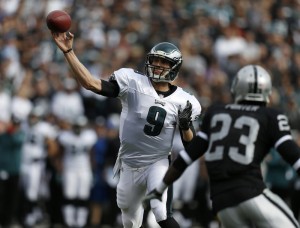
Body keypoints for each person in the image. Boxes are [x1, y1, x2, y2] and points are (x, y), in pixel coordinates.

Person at [50, 31, 201, 228]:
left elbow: (192, 146)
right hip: (129, 164)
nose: (158, 65)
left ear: (174, 68)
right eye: (155, 60)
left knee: (161, 211)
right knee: (130, 222)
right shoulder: (133, 82)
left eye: (164, 62)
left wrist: (185, 125)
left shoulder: (185, 100)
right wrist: (68, 51)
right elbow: (91, 83)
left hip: (158, 162)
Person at [143, 65, 300, 228]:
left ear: (236, 87)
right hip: (251, 191)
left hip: (221, 200)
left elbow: (186, 157)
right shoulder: (271, 116)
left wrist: (160, 188)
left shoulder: (216, 112)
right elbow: (293, 155)